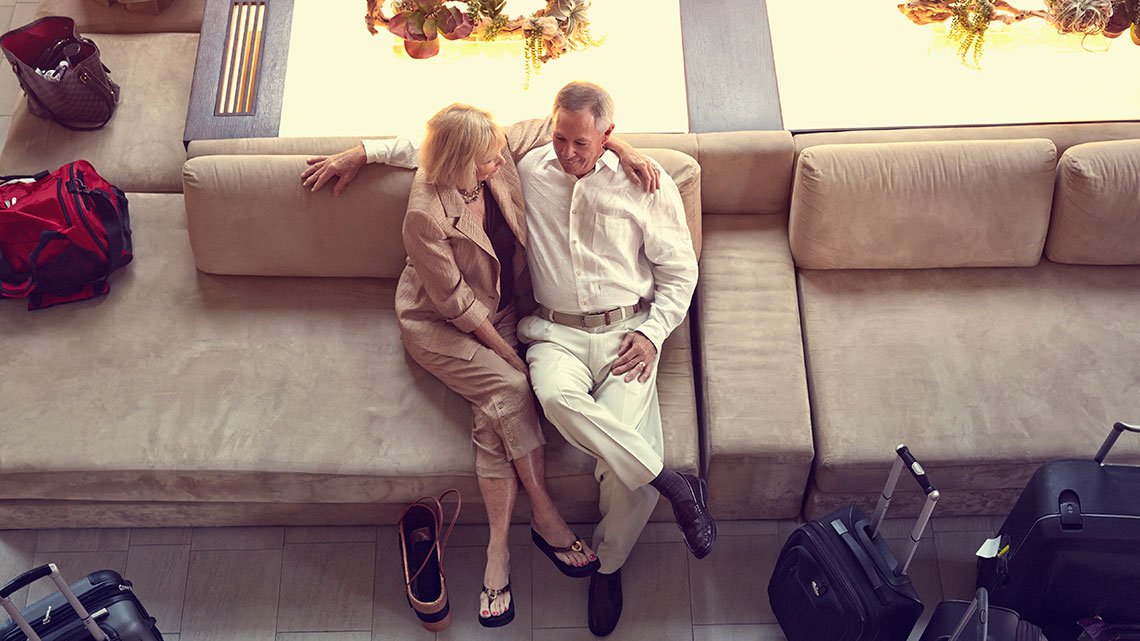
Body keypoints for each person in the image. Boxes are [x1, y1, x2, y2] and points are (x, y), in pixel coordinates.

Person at [301, 103, 659, 628]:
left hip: (503, 309)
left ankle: (499, 554)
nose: (500, 163)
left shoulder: (495, 150)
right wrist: (510, 354)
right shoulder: (425, 211)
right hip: (441, 325)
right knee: (513, 389)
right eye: (487, 161)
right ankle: (545, 517)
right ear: (457, 162)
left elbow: (571, 131)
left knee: (493, 412)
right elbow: (456, 307)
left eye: (497, 154)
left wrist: (622, 149)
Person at [513, 81, 714, 637]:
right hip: (555, 335)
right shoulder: (529, 168)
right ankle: (672, 484)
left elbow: (679, 274)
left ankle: (608, 565)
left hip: (628, 333)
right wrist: (366, 151)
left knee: (624, 474)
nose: (568, 153)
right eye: (559, 138)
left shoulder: (646, 184)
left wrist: (652, 334)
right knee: (555, 396)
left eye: (582, 143)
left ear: (608, 136)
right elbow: (453, 146)